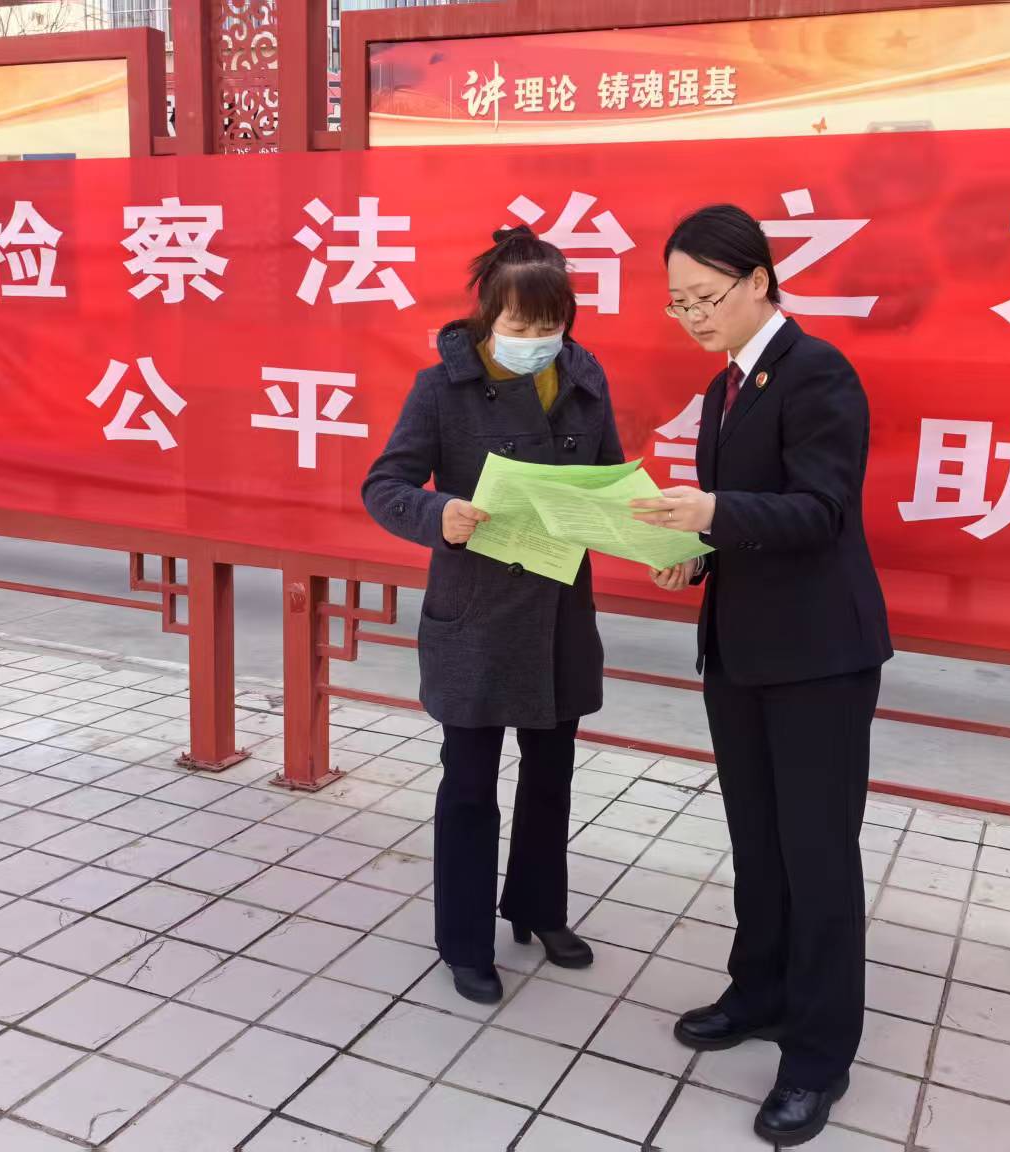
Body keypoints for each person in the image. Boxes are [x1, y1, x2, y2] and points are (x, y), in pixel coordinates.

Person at [635, 204, 892, 1147]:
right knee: (758, 840)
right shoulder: (725, 387)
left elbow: (821, 511)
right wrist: (693, 553)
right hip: (740, 651)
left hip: (819, 659)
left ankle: (818, 1057)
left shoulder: (818, 373)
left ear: (758, 280)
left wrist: (712, 511)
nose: (693, 316)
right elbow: (740, 519)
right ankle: (760, 992)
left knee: (818, 856)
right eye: (678, 303)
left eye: (706, 297)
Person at [362, 226, 622, 1005]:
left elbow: (608, 481)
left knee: (552, 777)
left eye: (550, 325)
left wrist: (634, 521)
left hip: (559, 612)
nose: (535, 340)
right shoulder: (440, 389)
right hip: (476, 616)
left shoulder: (585, 380)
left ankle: (540, 910)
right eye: (519, 324)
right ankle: (465, 941)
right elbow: (384, 485)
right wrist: (437, 513)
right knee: (470, 784)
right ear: (487, 316)